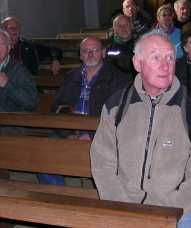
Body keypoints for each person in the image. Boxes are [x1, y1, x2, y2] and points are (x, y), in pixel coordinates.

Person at [85, 31, 191, 228]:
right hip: (124, 203)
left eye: (170, 58)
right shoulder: (117, 104)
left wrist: (162, 215)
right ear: (137, 63)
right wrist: (128, 211)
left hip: (177, 209)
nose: (165, 66)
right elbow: (102, 162)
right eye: (155, 57)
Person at [37, 37, 129, 185]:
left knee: (114, 165)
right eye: (85, 51)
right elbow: (57, 107)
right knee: (42, 157)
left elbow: (118, 114)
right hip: (70, 131)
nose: (90, 54)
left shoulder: (117, 78)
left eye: (95, 50)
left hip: (102, 133)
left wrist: (92, 135)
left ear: (103, 53)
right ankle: (59, 197)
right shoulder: (70, 77)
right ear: (80, 55)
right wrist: (68, 134)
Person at [105, 14, 139, 79]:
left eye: (126, 25)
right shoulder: (110, 49)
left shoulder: (141, 45)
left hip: (138, 82)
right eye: (119, 26)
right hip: (118, 83)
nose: (124, 28)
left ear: (131, 27)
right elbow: (108, 71)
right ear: (114, 30)